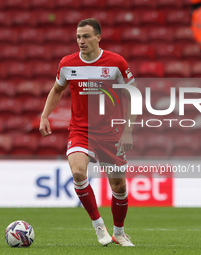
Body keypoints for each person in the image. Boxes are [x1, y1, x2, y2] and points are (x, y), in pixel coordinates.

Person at [39, 18, 136, 246]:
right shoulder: (67, 64)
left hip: (111, 133)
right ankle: (98, 226)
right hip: (81, 130)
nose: (81, 41)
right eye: (78, 37)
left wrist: (128, 131)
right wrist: (45, 115)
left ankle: (119, 232)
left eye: (85, 36)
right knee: (79, 173)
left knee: (119, 187)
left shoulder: (116, 63)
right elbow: (57, 89)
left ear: (98, 37)